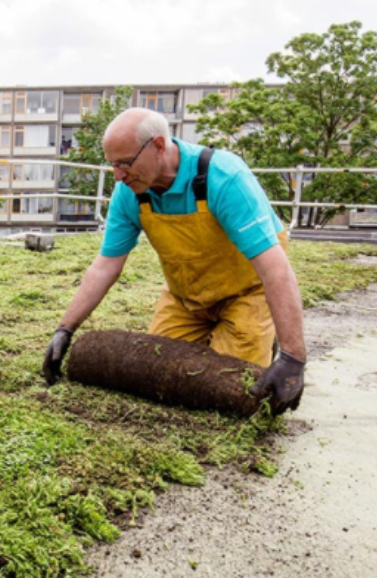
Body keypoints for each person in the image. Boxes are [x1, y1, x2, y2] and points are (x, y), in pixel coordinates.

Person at [43, 108, 306, 414]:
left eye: (125, 163)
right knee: (162, 373)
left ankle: (264, 338)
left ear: (158, 145)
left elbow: (273, 268)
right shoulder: (129, 192)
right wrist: (65, 329)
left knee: (237, 389)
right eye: (112, 165)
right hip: (186, 298)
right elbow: (106, 265)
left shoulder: (223, 178)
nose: (118, 175)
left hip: (247, 292)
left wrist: (293, 358)